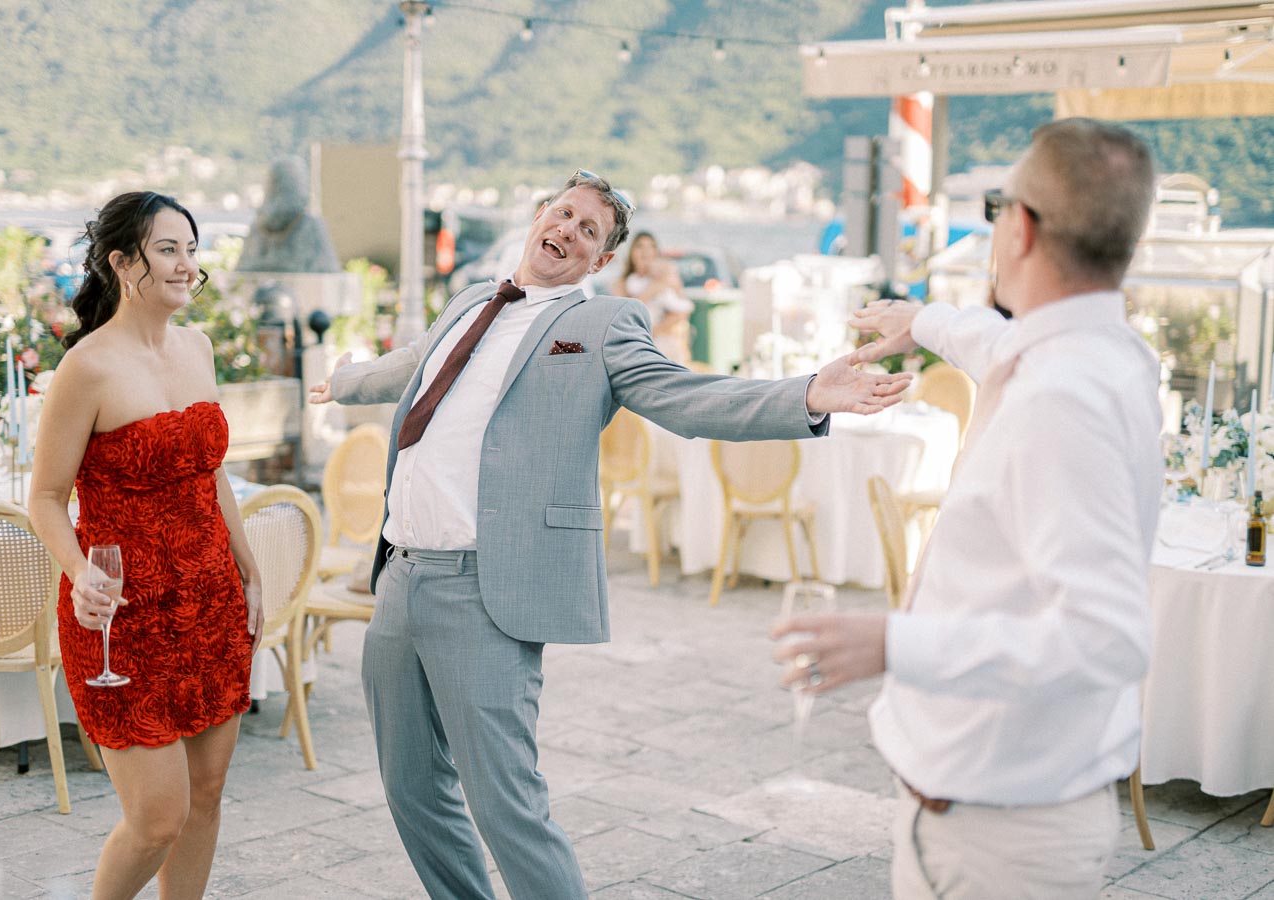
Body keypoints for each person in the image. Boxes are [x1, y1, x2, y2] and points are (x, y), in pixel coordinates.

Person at [307, 168, 912, 899]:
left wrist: (808, 392)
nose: (567, 229)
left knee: (506, 807)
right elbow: (415, 364)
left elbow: (687, 398)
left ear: (598, 262)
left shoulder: (599, 324)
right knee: (411, 790)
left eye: (588, 230)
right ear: (538, 217)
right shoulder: (472, 300)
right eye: (563, 213)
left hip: (484, 586)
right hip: (400, 573)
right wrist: (344, 383)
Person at [774, 118, 1161, 899]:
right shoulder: (1098, 355)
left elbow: (1106, 637)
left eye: (995, 205)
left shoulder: (1063, 397)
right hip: (1000, 807)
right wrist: (918, 321)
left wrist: (896, 643)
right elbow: (996, 343)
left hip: (999, 833)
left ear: (1017, 227)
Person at [28, 191, 263, 900]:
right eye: (168, 249)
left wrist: (248, 568)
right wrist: (78, 572)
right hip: (123, 621)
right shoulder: (88, 368)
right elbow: (43, 497)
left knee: (208, 794)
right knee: (158, 818)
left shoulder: (199, 348)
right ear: (123, 262)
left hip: (212, 601)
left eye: (192, 249)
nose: (187, 265)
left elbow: (209, 469)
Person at [615, 230, 693, 364]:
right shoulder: (621, 283)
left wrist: (654, 332)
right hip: (636, 346)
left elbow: (682, 311)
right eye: (640, 246)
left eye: (651, 246)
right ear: (632, 252)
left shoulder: (669, 278)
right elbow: (624, 314)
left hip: (665, 343)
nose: (646, 251)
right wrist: (653, 288)